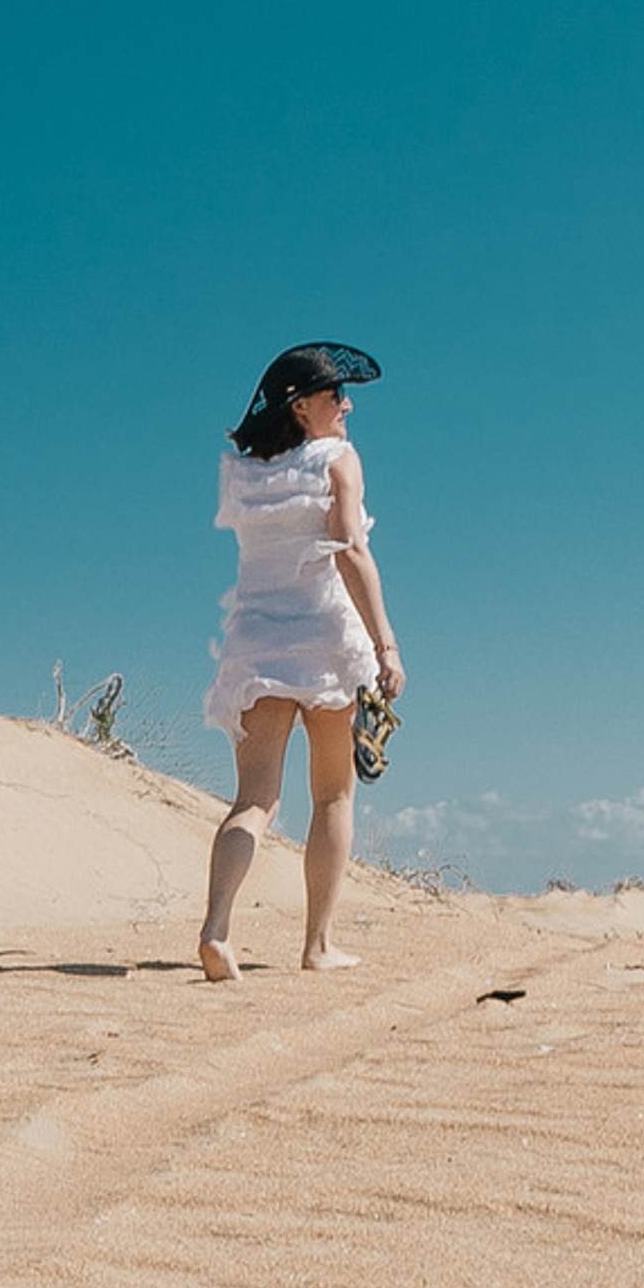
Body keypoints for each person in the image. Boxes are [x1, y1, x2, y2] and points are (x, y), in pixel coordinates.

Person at [197, 340, 403, 981]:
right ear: (300, 406)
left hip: (256, 644)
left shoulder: (247, 473)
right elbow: (351, 550)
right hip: (327, 645)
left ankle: (216, 929)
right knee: (333, 796)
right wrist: (386, 644)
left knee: (254, 800)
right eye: (335, 395)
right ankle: (317, 946)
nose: (346, 406)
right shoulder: (338, 459)